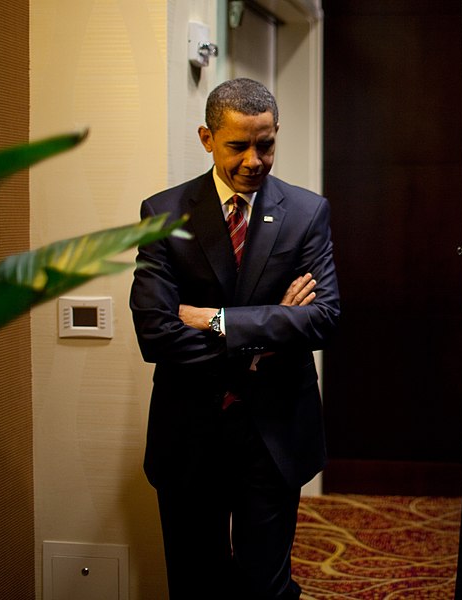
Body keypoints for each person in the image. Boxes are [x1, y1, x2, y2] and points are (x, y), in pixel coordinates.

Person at [130, 78, 340, 599]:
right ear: (207, 138)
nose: (254, 160)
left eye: (265, 144)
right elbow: (156, 333)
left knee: (264, 586)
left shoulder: (307, 212)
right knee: (195, 582)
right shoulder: (164, 215)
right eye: (238, 145)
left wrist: (217, 321)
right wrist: (267, 337)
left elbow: (323, 318)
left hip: (274, 432)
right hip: (190, 431)